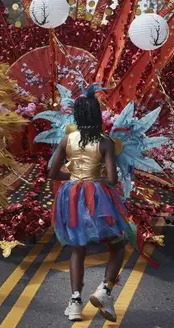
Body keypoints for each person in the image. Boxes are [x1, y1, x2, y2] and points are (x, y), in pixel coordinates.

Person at [49, 88, 129, 323]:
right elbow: (113, 180)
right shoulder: (106, 143)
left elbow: (53, 172)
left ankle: (75, 302)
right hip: (98, 198)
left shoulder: (67, 139)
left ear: (77, 116)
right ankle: (104, 290)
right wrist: (96, 180)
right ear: (97, 116)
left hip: (71, 197)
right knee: (118, 243)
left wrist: (73, 179)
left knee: (77, 248)